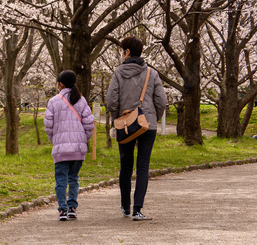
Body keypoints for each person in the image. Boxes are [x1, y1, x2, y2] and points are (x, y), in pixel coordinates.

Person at [107, 37, 167, 222]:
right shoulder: (152, 73)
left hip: (125, 125)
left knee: (126, 166)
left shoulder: (118, 73)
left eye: (122, 50)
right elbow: (162, 101)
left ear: (127, 52)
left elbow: (111, 101)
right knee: (143, 167)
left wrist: (119, 117)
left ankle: (125, 207)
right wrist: (151, 117)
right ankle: (137, 210)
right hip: (146, 125)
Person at [44, 70, 95, 221]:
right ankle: (72, 206)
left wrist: (55, 140)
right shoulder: (81, 100)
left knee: (61, 180)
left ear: (60, 84)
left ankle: (62, 210)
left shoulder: (53, 101)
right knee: (73, 178)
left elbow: (48, 125)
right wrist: (83, 139)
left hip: (61, 149)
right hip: (78, 149)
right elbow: (89, 123)